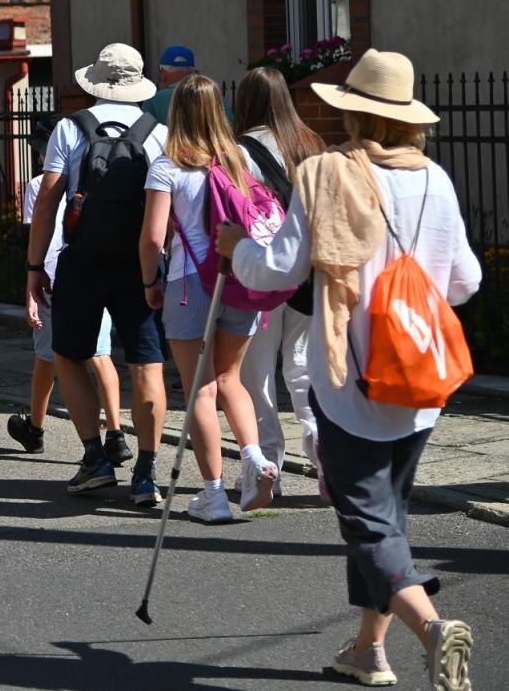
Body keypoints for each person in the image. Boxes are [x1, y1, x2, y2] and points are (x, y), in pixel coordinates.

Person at [217, 49, 479, 690]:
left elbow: (280, 267)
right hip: (419, 381)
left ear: (354, 112)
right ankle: (368, 651)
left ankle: (433, 628)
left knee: (366, 523)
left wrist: (237, 251)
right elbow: (466, 281)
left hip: (349, 377)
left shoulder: (330, 173)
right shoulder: (435, 180)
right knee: (385, 520)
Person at [26, 43, 169, 504]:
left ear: (97, 81)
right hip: (140, 263)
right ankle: (146, 472)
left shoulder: (70, 128)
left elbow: (48, 199)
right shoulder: (159, 133)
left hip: (83, 260)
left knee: (68, 354)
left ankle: (94, 459)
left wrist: (34, 267)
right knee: (146, 364)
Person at [139, 74, 275, 522]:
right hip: (238, 277)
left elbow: (153, 238)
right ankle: (254, 459)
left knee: (201, 386)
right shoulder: (240, 161)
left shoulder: (167, 167)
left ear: (176, 112)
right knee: (233, 379)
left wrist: (148, 282)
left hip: (188, 284)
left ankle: (214, 493)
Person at [8, 114, 128, 462]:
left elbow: (38, 232)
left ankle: (35, 427)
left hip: (55, 273)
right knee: (101, 353)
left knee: (48, 355)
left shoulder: (37, 185)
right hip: (96, 264)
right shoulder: (98, 178)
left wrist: (32, 277)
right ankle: (116, 433)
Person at [233, 66, 326, 485]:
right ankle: (321, 441)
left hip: (264, 271)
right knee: (304, 365)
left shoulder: (239, 151)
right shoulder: (312, 144)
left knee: (257, 374)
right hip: (308, 272)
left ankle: (266, 461)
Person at [143, 45, 198, 125]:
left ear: (163, 72)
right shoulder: (208, 96)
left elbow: (141, 133)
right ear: (193, 72)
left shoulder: (153, 101)